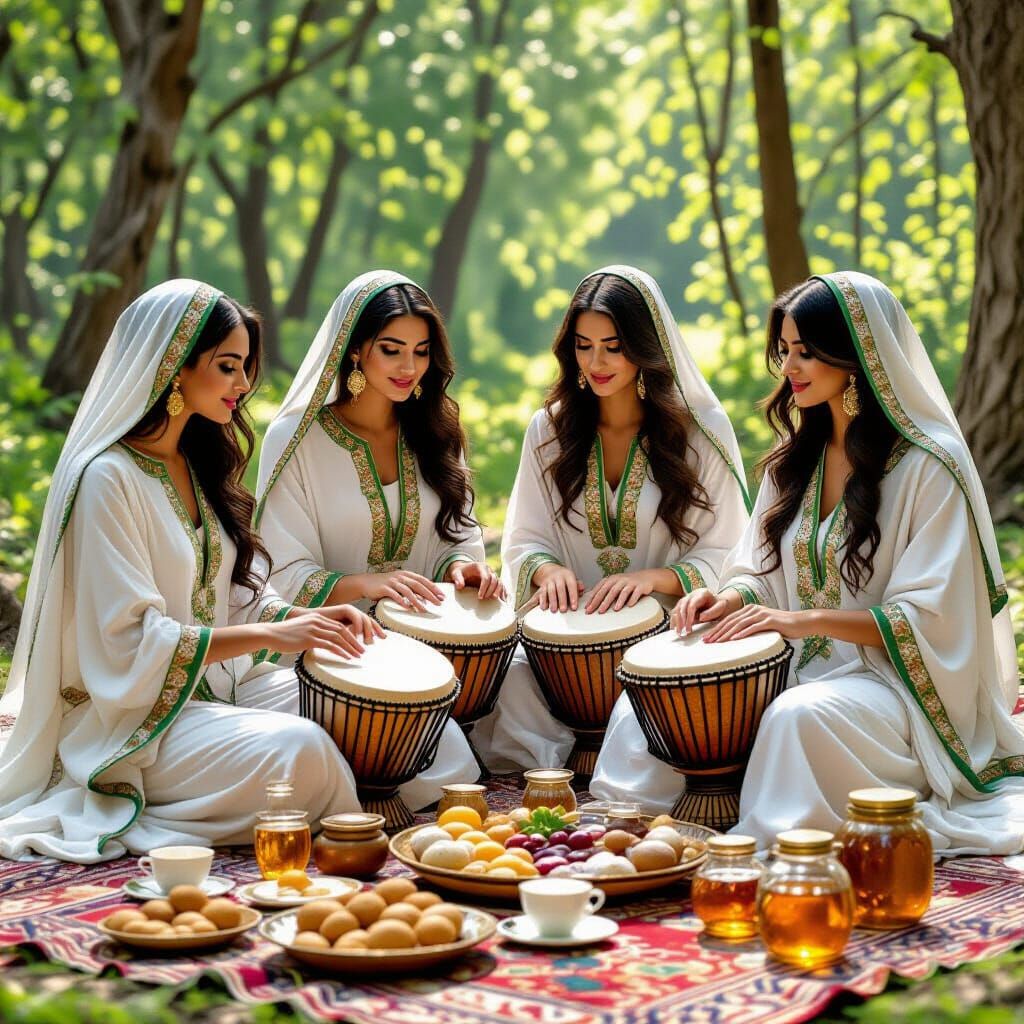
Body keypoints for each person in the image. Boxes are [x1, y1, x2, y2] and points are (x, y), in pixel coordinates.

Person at [0, 280, 378, 863]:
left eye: (246, 366)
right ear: (174, 368)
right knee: (300, 752)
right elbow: (128, 642)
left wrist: (305, 618)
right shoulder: (108, 477)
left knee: (384, 722)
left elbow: (232, 593)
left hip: (224, 692)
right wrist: (274, 637)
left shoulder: (198, 460)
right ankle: (139, 800)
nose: (245, 385)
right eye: (228, 366)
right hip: (133, 722)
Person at [673, 271, 1024, 856]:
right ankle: (643, 828)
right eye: (784, 351)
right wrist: (730, 597)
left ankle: (772, 855)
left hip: (890, 687)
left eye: (807, 352)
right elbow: (758, 570)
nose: (790, 367)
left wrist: (803, 621)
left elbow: (928, 621)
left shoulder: (929, 467)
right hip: (793, 663)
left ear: (858, 354)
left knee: (796, 718)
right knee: (678, 696)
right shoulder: (793, 462)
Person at [472, 265, 750, 773]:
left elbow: (730, 549)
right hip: (564, 649)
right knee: (507, 681)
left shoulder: (702, 431)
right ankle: (561, 768)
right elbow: (525, 535)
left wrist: (651, 580)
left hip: (669, 627)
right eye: (583, 345)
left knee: (671, 708)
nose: (596, 362)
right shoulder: (549, 429)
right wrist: (545, 570)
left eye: (613, 346)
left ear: (645, 346)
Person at [256, 270, 493, 808]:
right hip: (326, 646)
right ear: (356, 349)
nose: (409, 368)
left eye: (421, 351)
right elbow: (278, 574)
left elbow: (459, 533)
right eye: (392, 350)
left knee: (460, 751)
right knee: (437, 759)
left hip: (428, 647)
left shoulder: (436, 430)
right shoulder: (297, 439)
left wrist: (461, 567)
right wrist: (365, 583)